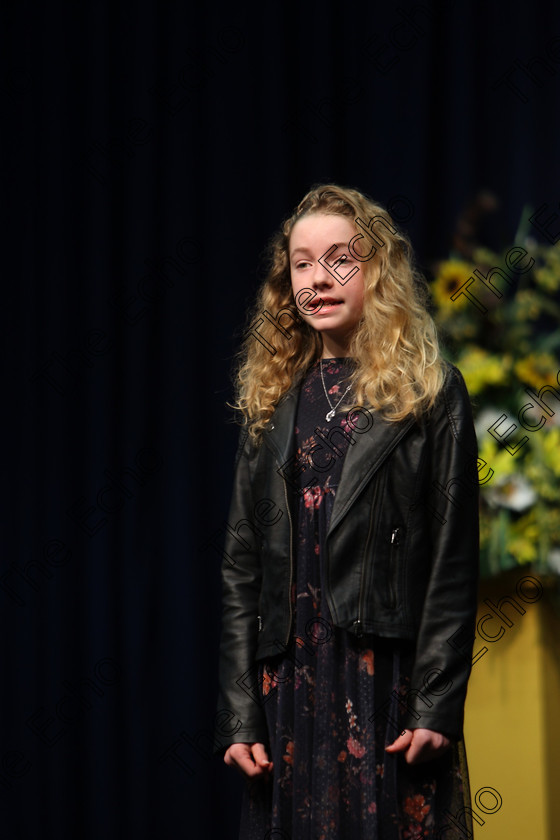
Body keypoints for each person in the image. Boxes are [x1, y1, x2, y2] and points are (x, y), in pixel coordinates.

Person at [213, 184, 480, 839]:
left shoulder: (430, 394)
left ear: (378, 271)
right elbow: (240, 570)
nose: (318, 278)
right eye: (302, 263)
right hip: (289, 692)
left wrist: (435, 705)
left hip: (382, 684)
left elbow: (454, 562)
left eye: (340, 259)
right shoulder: (272, 402)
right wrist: (242, 715)